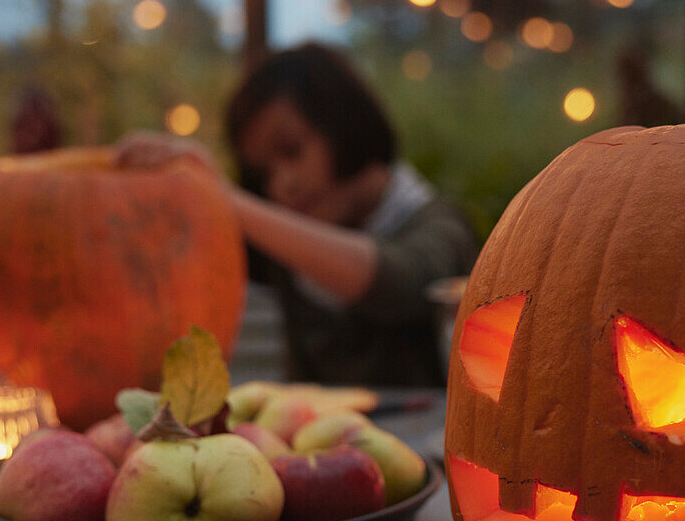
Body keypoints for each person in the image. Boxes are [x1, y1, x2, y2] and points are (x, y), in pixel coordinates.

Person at [117, 42, 479, 387]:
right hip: (307, 447)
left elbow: (398, 282)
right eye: (264, 174)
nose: (281, 185)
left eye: (291, 151)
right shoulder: (287, 244)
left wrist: (225, 199)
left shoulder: (442, 226)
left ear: (345, 122)